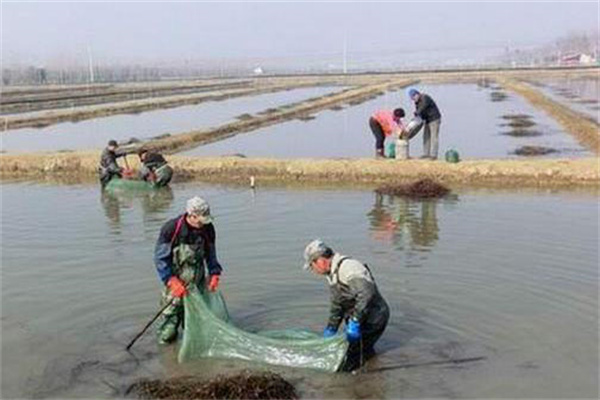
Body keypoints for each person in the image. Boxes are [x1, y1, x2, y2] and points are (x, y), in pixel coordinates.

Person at [303, 239, 390, 371]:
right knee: (360, 352)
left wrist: (355, 322)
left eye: (312, 266)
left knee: (346, 363)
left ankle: (360, 384)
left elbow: (366, 294)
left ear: (320, 261)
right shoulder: (332, 274)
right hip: (362, 318)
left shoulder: (348, 267)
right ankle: (370, 369)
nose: (313, 270)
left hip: (374, 318)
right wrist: (331, 328)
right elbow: (337, 304)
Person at [153, 196, 223, 344]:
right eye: (200, 220)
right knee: (169, 328)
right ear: (191, 215)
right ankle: (168, 358)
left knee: (194, 325)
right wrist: (171, 280)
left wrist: (214, 272)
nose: (203, 223)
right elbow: (160, 258)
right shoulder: (171, 229)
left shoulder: (208, 228)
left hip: (197, 281)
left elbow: (211, 253)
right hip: (177, 281)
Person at [407, 88, 442, 160]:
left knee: (434, 137)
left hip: (434, 119)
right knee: (426, 136)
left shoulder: (425, 98)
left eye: (414, 97)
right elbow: (418, 112)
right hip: (427, 120)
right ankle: (426, 154)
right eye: (412, 98)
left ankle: (433, 155)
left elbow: (422, 108)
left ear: (417, 94)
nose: (413, 99)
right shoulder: (417, 102)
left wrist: (416, 113)